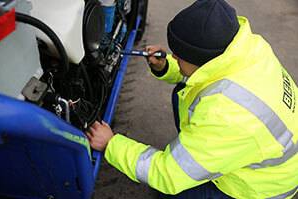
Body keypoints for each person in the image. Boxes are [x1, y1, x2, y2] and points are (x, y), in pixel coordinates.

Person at [86, 0, 298, 198]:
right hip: (256, 156)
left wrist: (111, 144)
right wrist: (166, 66)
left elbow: (166, 174)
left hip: (256, 190)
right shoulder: (246, 50)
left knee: (169, 191)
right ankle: (197, 154)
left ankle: (195, 162)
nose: (174, 56)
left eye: (179, 55)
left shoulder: (225, 115)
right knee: (184, 92)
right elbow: (207, 74)